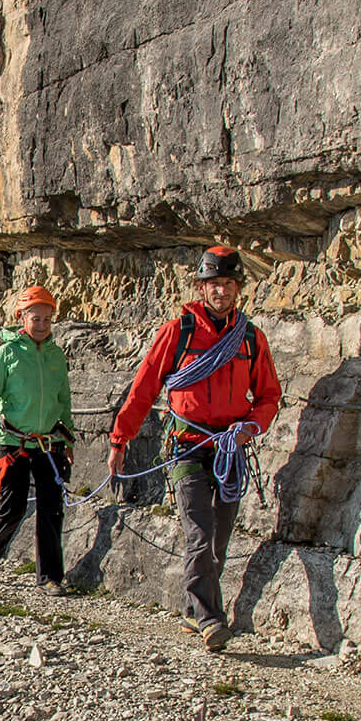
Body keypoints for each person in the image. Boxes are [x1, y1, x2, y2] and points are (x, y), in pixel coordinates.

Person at [106, 245, 283, 650]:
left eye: (228, 284)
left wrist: (251, 426)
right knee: (201, 534)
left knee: (218, 540)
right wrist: (120, 439)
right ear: (202, 288)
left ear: (238, 288)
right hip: (187, 446)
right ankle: (210, 619)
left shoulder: (251, 339)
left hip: (229, 450)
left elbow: (269, 395)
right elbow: (145, 387)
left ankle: (191, 612)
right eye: (214, 284)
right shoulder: (179, 332)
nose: (221, 291)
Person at [0, 284, 74, 593]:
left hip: (48, 442)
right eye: (36, 319)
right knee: (13, 505)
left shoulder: (57, 355)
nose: (42, 325)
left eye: (47, 319)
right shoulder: (7, 354)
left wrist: (68, 440)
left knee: (51, 508)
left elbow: (64, 400)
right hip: (12, 441)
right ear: (22, 317)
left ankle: (50, 577)